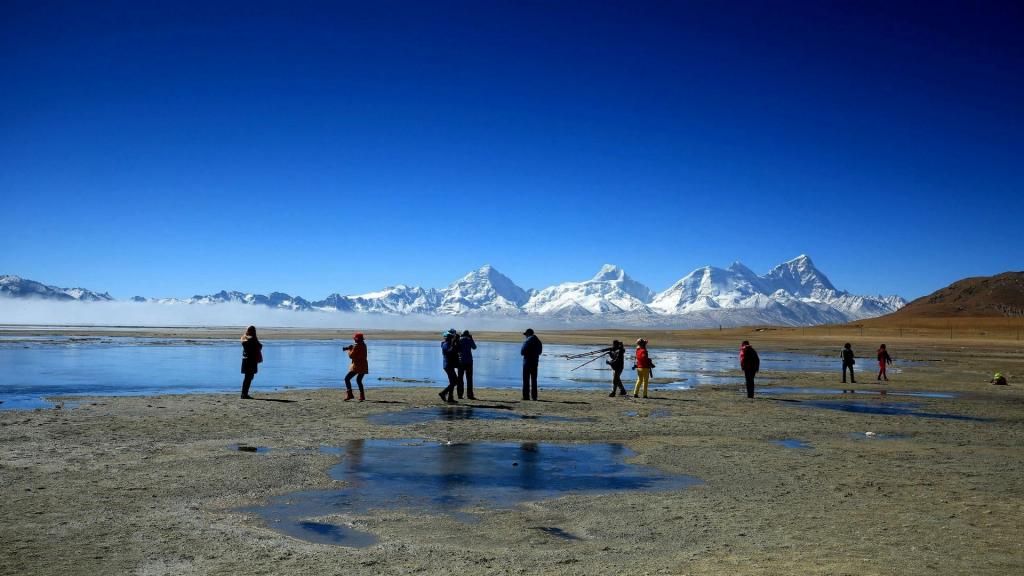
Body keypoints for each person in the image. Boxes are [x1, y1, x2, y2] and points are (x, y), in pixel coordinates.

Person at [343, 332, 368, 401]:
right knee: (359, 380)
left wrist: (349, 350)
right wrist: (352, 348)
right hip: (364, 365)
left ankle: (350, 395)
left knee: (347, 379)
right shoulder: (364, 345)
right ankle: (362, 396)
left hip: (357, 366)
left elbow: (351, 356)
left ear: (357, 339)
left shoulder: (356, 346)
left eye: (355, 339)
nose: (354, 340)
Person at [439, 329, 461, 404]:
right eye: (451, 337)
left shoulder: (447, 343)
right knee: (455, 381)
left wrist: (455, 343)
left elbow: (455, 351)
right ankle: (443, 393)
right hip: (448, 365)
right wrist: (454, 344)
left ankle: (450, 398)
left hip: (448, 365)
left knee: (453, 382)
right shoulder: (446, 344)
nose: (452, 338)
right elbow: (449, 352)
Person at [240, 325, 263, 399]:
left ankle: (244, 393)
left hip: (246, 360)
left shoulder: (244, 338)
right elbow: (259, 346)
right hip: (251, 360)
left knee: (248, 377)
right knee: (249, 377)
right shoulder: (251, 339)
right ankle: (244, 394)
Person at [521, 328, 543, 400]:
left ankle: (526, 396)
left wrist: (528, 354)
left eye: (526, 334)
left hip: (527, 362)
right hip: (535, 362)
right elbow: (540, 352)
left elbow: (522, 352)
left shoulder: (527, 341)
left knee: (526, 380)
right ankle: (534, 396)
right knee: (534, 380)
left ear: (528, 334)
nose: (525, 336)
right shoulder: (538, 341)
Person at [457, 330, 477, 400]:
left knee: (460, 379)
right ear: (468, 335)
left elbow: (457, 349)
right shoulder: (469, 340)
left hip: (461, 361)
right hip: (469, 361)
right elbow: (474, 347)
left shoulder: (459, 340)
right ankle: (470, 395)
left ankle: (460, 395)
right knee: (469, 379)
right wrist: (471, 339)